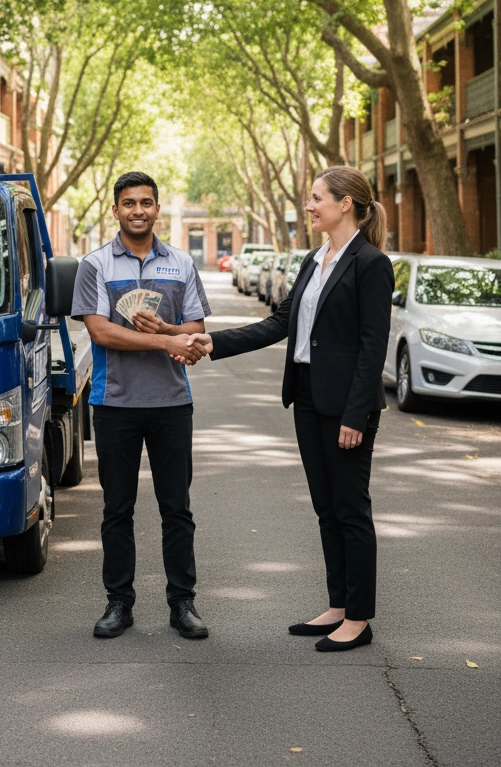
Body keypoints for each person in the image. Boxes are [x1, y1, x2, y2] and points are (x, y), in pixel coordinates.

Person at [184, 167, 393, 652]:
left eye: (317, 198)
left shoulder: (370, 263)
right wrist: (212, 341)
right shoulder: (313, 259)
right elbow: (279, 322)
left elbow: (372, 347)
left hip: (345, 406)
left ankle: (359, 619)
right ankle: (338, 606)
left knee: (351, 510)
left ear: (345, 204)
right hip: (306, 395)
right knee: (326, 510)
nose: (310, 205)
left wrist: (355, 416)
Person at [71, 171, 211, 641]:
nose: (138, 210)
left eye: (146, 203)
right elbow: (101, 332)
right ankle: (119, 603)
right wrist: (161, 341)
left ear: (156, 208)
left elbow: (193, 327)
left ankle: (182, 603)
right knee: (117, 509)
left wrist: (168, 330)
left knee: (177, 508)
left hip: (172, 402)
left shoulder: (181, 264)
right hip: (114, 403)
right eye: (129, 203)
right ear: (115, 210)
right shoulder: (93, 266)